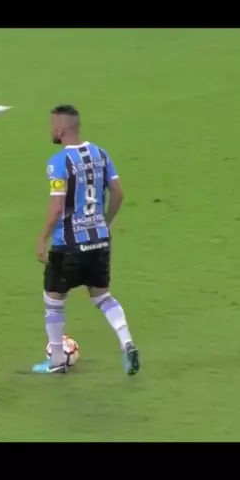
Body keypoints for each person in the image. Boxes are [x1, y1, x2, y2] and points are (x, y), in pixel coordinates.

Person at [33, 105, 140, 376]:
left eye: (52, 125)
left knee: (53, 299)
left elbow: (57, 208)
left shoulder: (58, 163)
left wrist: (42, 238)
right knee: (102, 296)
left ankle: (57, 360)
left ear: (60, 129)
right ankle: (126, 342)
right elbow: (118, 193)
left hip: (68, 245)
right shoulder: (101, 154)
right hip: (99, 241)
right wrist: (105, 222)